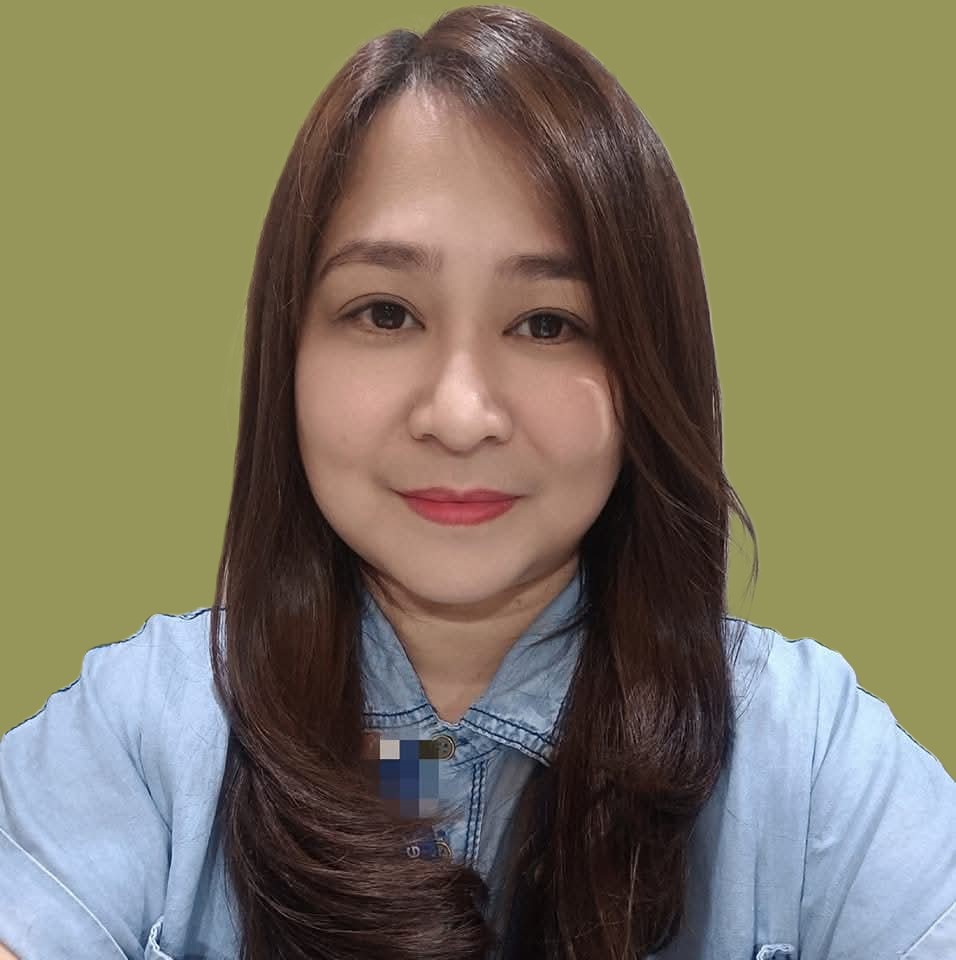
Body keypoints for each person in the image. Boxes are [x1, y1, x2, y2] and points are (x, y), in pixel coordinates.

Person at [1, 5, 953, 959]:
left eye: (547, 323)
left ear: (650, 363)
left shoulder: (808, 755)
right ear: (286, 353)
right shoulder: (140, 734)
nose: (459, 416)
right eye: (385, 313)